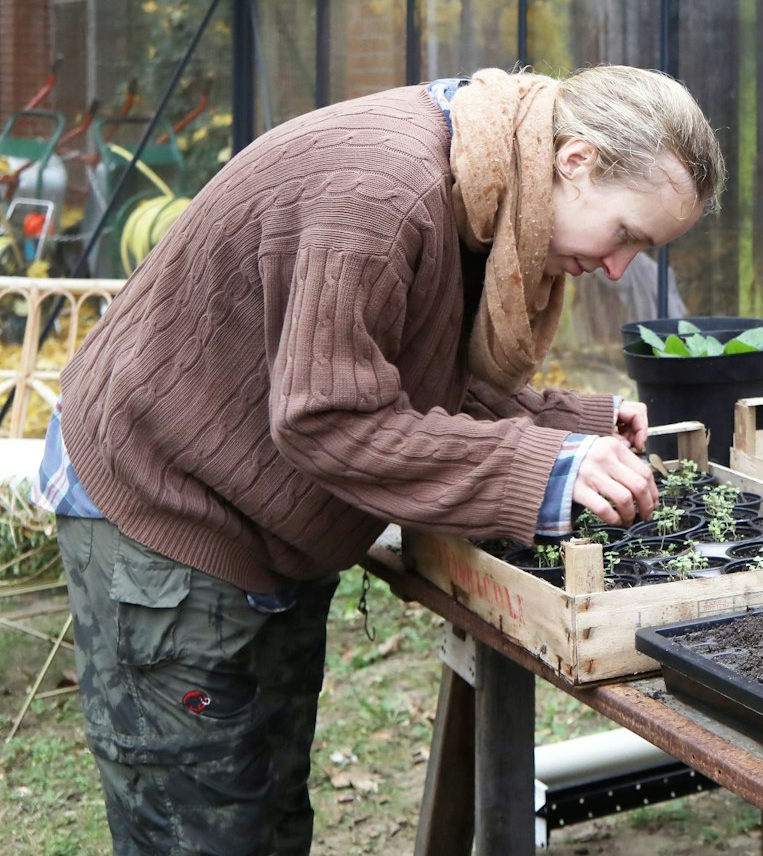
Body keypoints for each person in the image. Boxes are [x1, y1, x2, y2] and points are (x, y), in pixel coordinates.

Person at [35, 66, 723, 855]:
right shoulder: (384, 196)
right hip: (166, 503)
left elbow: (409, 377)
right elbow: (329, 420)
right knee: (200, 827)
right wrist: (544, 466)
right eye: (627, 234)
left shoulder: (484, 184)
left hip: (261, 502)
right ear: (576, 161)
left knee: (264, 806)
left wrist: (574, 427)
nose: (618, 267)